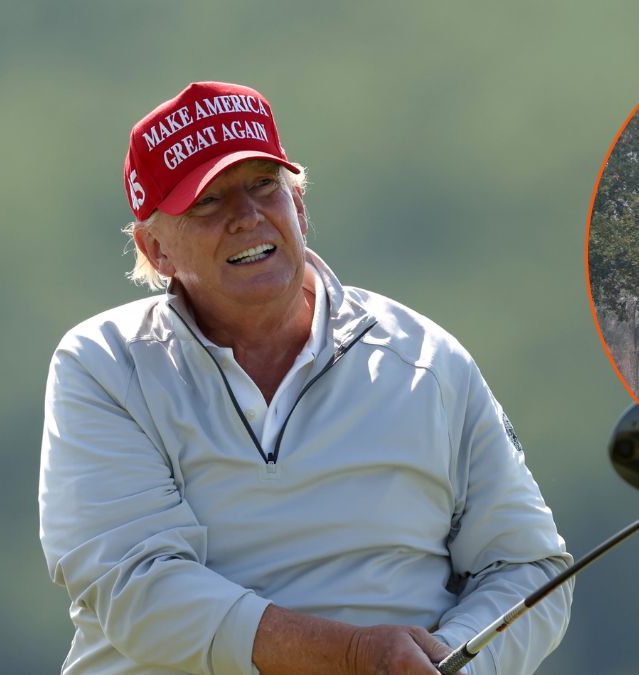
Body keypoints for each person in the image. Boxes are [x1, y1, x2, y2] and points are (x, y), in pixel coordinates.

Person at [38, 81, 572, 675]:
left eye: (264, 185)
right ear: (155, 248)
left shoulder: (425, 361)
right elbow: (139, 591)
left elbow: (525, 568)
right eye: (207, 202)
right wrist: (353, 656)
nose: (246, 217)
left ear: (300, 206)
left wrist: (457, 662)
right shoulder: (106, 365)